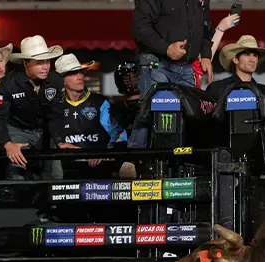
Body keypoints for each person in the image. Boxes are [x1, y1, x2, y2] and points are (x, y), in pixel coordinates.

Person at [129, 0, 214, 148]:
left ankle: (183, 161)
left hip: (186, 66)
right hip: (156, 60)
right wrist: (166, 48)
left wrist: (206, 55)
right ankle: (135, 155)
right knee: (155, 106)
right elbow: (140, 26)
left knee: (191, 114)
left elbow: (206, 25)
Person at [0, 35, 64, 180]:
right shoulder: (8, 84)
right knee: (16, 175)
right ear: (26, 63)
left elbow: (56, 116)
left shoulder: (56, 81)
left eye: (47, 61)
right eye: (39, 62)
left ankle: (50, 203)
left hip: (46, 132)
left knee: (56, 177)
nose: (46, 66)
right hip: (17, 131)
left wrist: (59, 140)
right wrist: (7, 144)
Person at [48, 54, 125, 177]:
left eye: (81, 72)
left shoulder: (100, 103)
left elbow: (120, 135)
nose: (80, 76)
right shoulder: (55, 106)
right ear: (62, 79)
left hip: (100, 170)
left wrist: (102, 153)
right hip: (66, 171)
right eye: (73, 73)